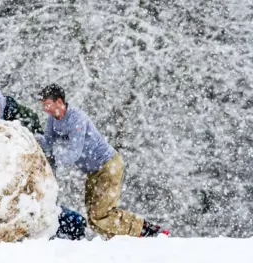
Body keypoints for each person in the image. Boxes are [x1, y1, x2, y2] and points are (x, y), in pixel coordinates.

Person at [35, 83, 169, 239]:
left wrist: (53, 157)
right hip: (93, 171)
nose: (45, 109)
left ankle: (148, 232)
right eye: (43, 105)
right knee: (94, 219)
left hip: (108, 165)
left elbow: (74, 153)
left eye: (47, 105)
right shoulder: (53, 120)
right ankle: (128, 239)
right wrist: (33, 140)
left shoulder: (76, 119)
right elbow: (49, 143)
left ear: (59, 102)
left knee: (102, 215)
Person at [0, 82, 87, 240]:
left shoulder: (22, 116)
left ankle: (75, 226)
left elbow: (36, 149)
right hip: (7, 176)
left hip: (34, 171)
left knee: (40, 209)